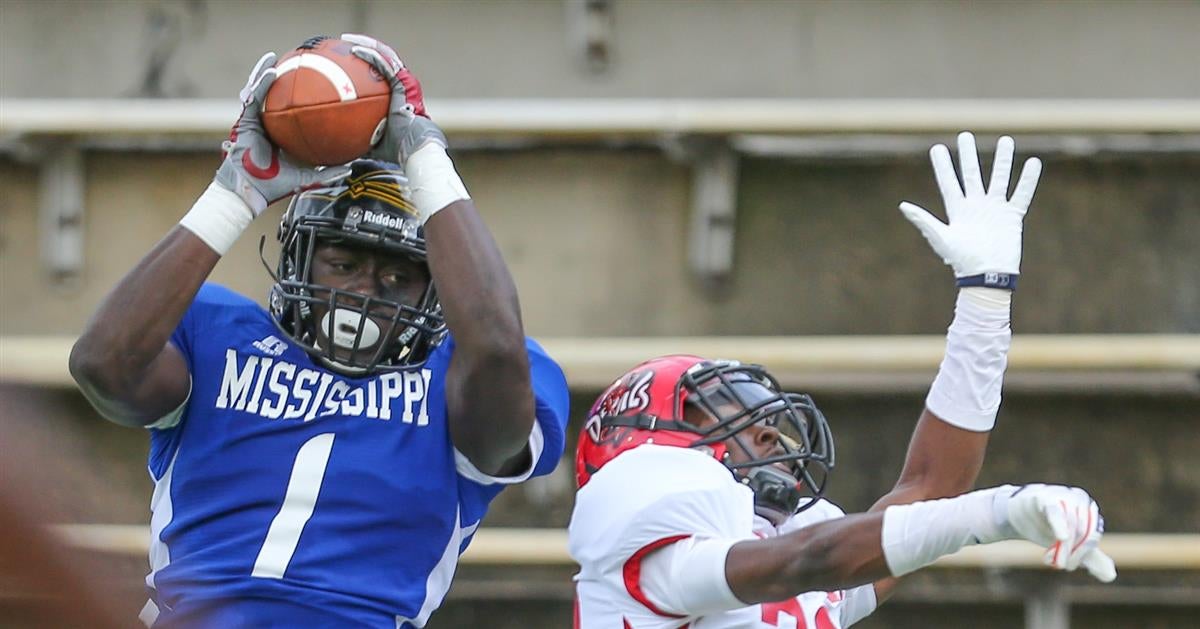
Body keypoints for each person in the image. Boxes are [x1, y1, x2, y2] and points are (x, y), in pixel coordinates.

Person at [69, 34, 569, 628]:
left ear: (439, 288)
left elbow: (492, 344)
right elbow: (103, 364)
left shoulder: (475, 374)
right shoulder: (214, 331)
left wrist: (424, 154)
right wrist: (238, 191)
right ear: (299, 259)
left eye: (396, 276)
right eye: (344, 264)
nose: (363, 291)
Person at [569, 133, 1116, 628]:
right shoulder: (658, 555)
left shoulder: (778, 555)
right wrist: (997, 514)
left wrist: (984, 300)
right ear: (642, 445)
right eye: (719, 412)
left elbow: (930, 492)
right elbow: (812, 559)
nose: (768, 434)